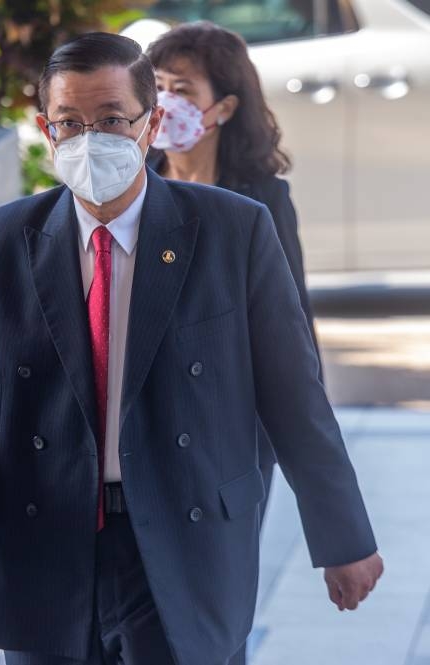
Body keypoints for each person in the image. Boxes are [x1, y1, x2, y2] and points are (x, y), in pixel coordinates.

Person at [0, 32, 382, 665]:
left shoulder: (231, 231)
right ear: (46, 130)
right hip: (44, 536)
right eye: (70, 123)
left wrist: (341, 535)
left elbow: (293, 393)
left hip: (184, 535)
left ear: (151, 123)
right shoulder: (4, 240)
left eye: (110, 120)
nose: (89, 139)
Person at [147, 21, 323, 516]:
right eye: (157, 86)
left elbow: (290, 318)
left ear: (223, 107)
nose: (165, 102)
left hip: (233, 423)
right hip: (150, 416)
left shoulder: (261, 200)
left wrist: (305, 433)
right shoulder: (136, 185)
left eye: (181, 90)